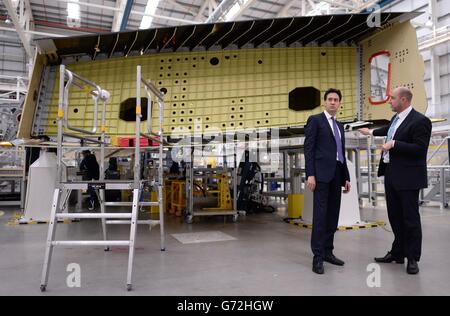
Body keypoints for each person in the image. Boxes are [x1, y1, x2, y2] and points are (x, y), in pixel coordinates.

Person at [359, 87, 431, 275]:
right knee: (395, 217)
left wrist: (395, 145)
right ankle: (398, 253)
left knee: (410, 219)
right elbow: (389, 131)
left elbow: (420, 148)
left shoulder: (420, 121)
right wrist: (370, 132)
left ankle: (412, 258)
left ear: (404, 100)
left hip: (409, 177)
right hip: (391, 173)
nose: (389, 101)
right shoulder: (396, 119)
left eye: (392, 98)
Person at [304, 88, 351, 275]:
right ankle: (317, 257)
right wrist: (311, 174)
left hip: (337, 176)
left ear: (339, 103)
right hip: (321, 176)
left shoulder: (339, 126)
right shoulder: (315, 121)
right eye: (330, 99)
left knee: (332, 216)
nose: (333, 102)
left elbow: (341, 152)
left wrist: (346, 177)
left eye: (336, 99)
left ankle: (328, 252)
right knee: (320, 217)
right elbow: (309, 149)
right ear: (324, 102)